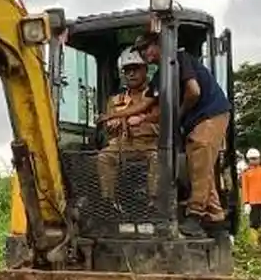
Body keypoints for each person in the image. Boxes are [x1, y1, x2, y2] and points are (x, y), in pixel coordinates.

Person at [108, 31, 232, 237]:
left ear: (159, 44)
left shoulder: (180, 59)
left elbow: (194, 91)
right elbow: (145, 105)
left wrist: (177, 115)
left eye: (146, 48)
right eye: (140, 50)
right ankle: (216, 219)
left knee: (199, 156)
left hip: (211, 114)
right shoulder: (160, 76)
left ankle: (194, 214)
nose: (144, 53)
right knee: (200, 166)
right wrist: (112, 115)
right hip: (193, 120)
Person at [96, 50, 160, 199]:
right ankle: (108, 202)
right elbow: (106, 131)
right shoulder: (115, 100)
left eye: (135, 69)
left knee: (158, 158)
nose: (131, 74)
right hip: (122, 145)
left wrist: (141, 119)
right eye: (127, 70)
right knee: (104, 157)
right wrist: (112, 125)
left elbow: (162, 121)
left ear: (145, 69)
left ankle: (154, 203)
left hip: (150, 144)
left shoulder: (155, 96)